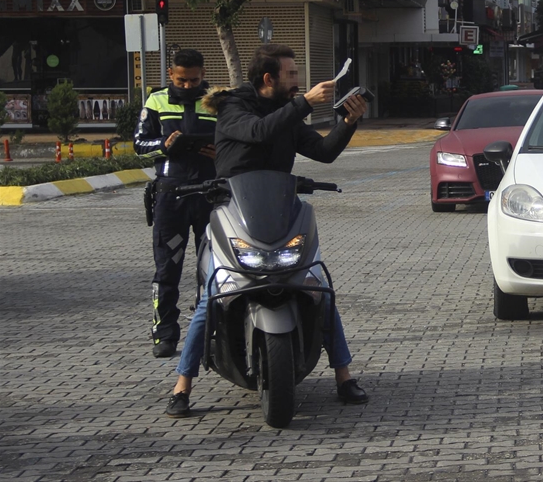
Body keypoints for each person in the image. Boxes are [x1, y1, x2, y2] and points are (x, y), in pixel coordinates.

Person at [164, 43, 369, 417]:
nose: (298, 81)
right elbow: (257, 132)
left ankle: (344, 375)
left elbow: (323, 151)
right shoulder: (232, 106)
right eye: (291, 75)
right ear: (268, 78)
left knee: (316, 286)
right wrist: (303, 103)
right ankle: (182, 385)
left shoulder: (288, 112)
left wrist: (348, 122)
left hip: (278, 212)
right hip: (231, 212)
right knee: (215, 291)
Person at [133, 49, 217, 359]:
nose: (187, 86)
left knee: (212, 268)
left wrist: (219, 150)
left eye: (194, 80)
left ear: (202, 73)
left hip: (210, 194)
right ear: (171, 75)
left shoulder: (216, 99)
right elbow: (139, 146)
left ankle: (209, 331)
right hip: (171, 196)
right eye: (181, 80)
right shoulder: (156, 101)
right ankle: (164, 334)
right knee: (168, 269)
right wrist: (164, 146)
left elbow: (236, 140)